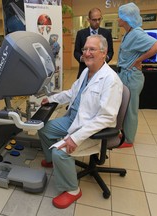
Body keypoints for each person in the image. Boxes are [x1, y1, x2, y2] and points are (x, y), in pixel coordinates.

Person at [38, 35, 123, 209]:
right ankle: (52, 160)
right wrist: (52, 99)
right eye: (85, 49)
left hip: (89, 128)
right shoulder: (86, 71)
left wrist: (76, 138)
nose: (86, 53)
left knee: (60, 153)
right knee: (43, 128)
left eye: (92, 49)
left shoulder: (111, 80)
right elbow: (71, 93)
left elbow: (107, 117)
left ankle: (72, 190)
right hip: (73, 119)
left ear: (103, 53)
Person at [116, 2, 157, 148]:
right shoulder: (129, 32)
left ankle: (129, 140)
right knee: (124, 106)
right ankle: (124, 132)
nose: (118, 19)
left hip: (132, 77)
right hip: (125, 75)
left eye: (120, 16)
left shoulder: (136, 33)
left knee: (130, 109)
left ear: (126, 18)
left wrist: (138, 60)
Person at [74, 8, 114, 79]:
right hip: (84, 69)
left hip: (101, 71)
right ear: (88, 20)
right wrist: (83, 58)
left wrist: (104, 58)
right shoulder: (81, 33)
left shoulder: (106, 33)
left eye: (99, 19)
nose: (97, 22)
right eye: (94, 20)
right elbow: (76, 52)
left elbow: (110, 52)